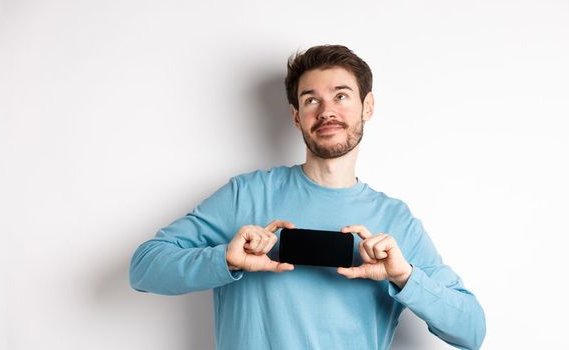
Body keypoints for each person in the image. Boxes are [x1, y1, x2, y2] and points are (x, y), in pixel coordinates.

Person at [129, 45, 486, 350]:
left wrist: (404, 276)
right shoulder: (246, 194)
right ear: (297, 116)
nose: (326, 110)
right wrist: (226, 260)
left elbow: (471, 330)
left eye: (341, 95)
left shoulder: (395, 220)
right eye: (311, 99)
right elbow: (143, 268)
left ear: (368, 106)